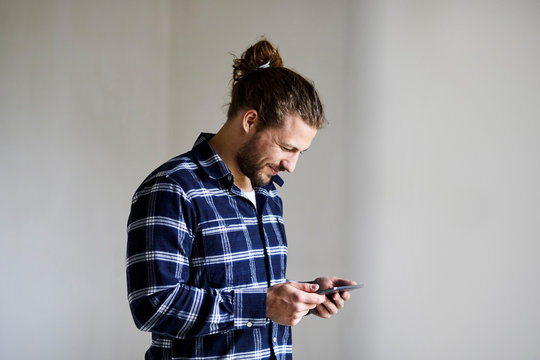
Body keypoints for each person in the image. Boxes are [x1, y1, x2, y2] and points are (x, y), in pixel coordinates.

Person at [126, 38, 356, 360]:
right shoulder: (172, 188)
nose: (291, 165)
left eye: (300, 153)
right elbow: (153, 305)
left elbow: (245, 288)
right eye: (287, 148)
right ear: (250, 121)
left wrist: (302, 296)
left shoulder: (267, 194)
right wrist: (264, 304)